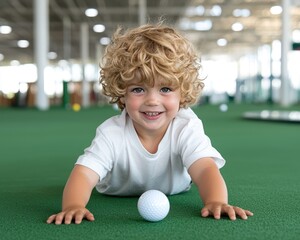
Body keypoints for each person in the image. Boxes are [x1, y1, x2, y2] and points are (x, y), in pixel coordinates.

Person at [47, 22, 253, 225]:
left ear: (183, 93)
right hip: (115, 192)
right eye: (138, 89)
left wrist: (216, 201)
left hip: (176, 189)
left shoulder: (186, 126)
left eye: (165, 89)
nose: (152, 101)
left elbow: (205, 168)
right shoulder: (112, 132)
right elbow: (84, 173)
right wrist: (73, 205)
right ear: (122, 93)